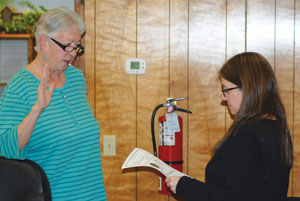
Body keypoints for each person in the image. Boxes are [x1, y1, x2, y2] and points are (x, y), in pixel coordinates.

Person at [0, 8, 107, 201]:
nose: (73, 53)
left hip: (93, 195)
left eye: (77, 46)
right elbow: (5, 149)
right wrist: (37, 109)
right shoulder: (19, 87)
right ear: (44, 43)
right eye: (67, 45)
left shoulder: (76, 78)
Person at [166, 52, 293, 201]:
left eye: (226, 90)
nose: (223, 98)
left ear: (247, 88)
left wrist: (185, 186)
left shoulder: (245, 134)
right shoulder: (277, 127)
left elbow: (235, 198)